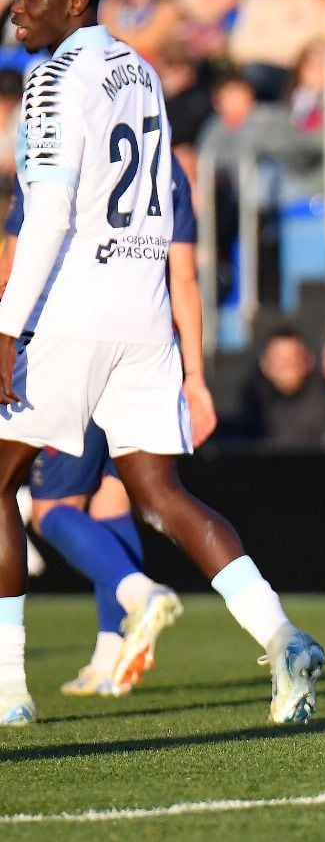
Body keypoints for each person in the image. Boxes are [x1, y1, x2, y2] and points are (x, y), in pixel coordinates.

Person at [0, 0, 324, 727]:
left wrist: (7, 326)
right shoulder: (139, 70)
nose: (17, 9)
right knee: (161, 494)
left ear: (79, 2)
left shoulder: (51, 80)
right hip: (143, 315)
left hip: (69, 312)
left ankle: (8, 688)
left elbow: (46, 213)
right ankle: (281, 634)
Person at [1, 162, 215, 698]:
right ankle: (110, 652)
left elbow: (12, 267)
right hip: (145, 349)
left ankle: (140, 592)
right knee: (111, 500)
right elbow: (183, 277)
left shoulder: (59, 156)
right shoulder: (168, 170)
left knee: (53, 511)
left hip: (70, 348)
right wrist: (197, 378)